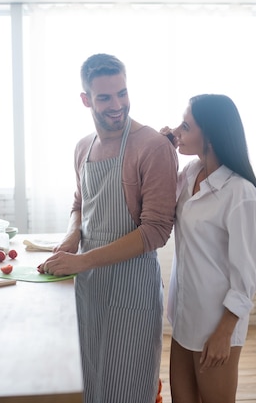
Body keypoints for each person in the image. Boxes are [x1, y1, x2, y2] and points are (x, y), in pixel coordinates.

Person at [41, 53, 178, 403]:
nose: (117, 105)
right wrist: (73, 236)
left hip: (132, 286)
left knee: (128, 388)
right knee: (91, 384)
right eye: (104, 97)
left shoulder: (153, 147)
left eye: (122, 93)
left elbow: (157, 230)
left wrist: (83, 261)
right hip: (91, 287)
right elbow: (79, 204)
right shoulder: (82, 147)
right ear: (86, 99)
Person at [161, 94, 256, 403]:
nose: (178, 132)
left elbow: (246, 275)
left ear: (210, 134)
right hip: (184, 315)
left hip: (216, 322)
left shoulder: (241, 194)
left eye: (185, 126)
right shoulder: (190, 174)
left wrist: (224, 333)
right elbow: (157, 205)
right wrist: (161, 147)